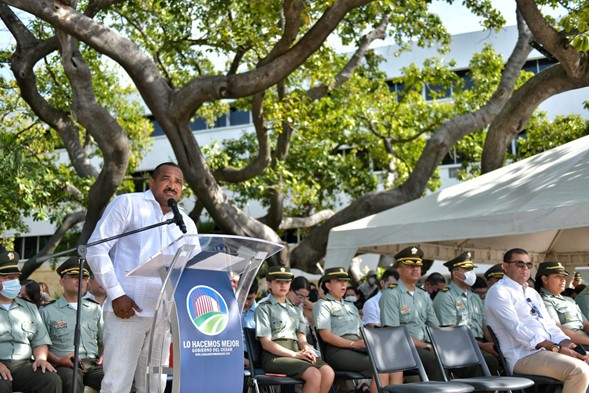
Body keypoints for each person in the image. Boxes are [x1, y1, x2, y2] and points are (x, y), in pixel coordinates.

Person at [86, 162, 197, 393]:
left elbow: (193, 267)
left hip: (162, 316)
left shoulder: (186, 223)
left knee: (153, 386)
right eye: (166, 179)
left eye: (178, 182)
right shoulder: (128, 204)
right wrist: (116, 294)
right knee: (117, 383)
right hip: (127, 311)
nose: (172, 185)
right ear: (152, 182)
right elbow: (96, 249)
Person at [485, 248, 589, 392]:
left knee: (585, 360)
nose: (525, 268)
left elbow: (550, 326)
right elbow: (517, 330)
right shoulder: (499, 292)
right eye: (520, 264)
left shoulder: (532, 293)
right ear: (505, 266)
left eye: (528, 265)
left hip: (547, 351)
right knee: (579, 371)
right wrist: (556, 348)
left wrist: (567, 344)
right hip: (522, 356)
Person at [314, 267, 402, 393]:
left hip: (359, 347)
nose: (344, 284)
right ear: (328, 285)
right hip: (339, 350)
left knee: (397, 365)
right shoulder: (323, 305)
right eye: (339, 281)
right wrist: (353, 344)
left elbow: (362, 331)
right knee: (381, 366)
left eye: (345, 281)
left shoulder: (351, 306)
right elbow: (326, 336)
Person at [255, 266, 334, 393]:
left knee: (328, 372)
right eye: (278, 281)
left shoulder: (296, 310)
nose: (283, 285)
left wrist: (306, 349)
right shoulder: (263, 308)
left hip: (296, 351)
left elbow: (301, 338)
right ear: (269, 283)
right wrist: (295, 355)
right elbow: (266, 344)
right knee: (314, 374)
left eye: (286, 282)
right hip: (274, 356)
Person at [0, 250, 62, 393]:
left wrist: (40, 359)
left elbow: (39, 340)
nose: (14, 282)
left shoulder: (30, 308)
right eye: (8, 278)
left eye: (16, 278)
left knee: (50, 379)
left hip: (23, 365)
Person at [40, 257, 104, 393]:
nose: (80, 281)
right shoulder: (47, 311)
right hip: (65, 364)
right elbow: (40, 344)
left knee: (116, 382)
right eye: (75, 276)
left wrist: (105, 354)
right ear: (62, 281)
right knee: (71, 384)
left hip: (93, 364)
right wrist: (58, 360)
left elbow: (105, 339)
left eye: (84, 277)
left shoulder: (95, 309)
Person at [432, 251, 499, 375]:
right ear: (455, 274)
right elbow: (450, 333)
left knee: (505, 356)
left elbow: (485, 327)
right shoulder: (446, 297)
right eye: (466, 270)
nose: (471, 273)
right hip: (458, 346)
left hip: (479, 343)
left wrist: (496, 344)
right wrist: (483, 346)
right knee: (489, 361)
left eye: (471, 269)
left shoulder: (474, 297)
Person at [379, 246, 441, 380]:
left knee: (460, 357)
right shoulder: (391, 294)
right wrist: (427, 346)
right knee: (437, 360)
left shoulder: (423, 295)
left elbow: (434, 325)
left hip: (426, 345)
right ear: (399, 270)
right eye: (409, 266)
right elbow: (394, 334)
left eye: (418, 265)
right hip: (404, 347)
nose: (415, 269)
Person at [534, 261, 589, 347]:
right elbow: (558, 330)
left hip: (584, 339)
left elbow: (586, 324)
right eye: (557, 276)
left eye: (563, 276)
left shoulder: (569, 300)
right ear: (545, 279)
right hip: (570, 344)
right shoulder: (544, 301)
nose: (563, 279)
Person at [242, 278, 259, 369]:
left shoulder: (261, 312)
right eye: (243, 298)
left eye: (249, 298)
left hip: (254, 356)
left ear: (256, 294)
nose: (246, 302)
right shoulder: (229, 310)